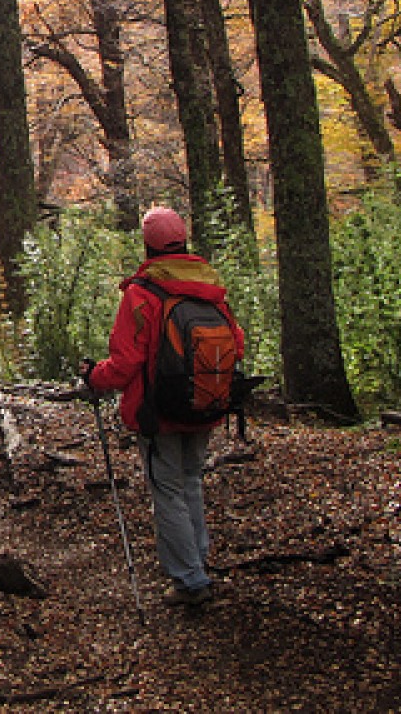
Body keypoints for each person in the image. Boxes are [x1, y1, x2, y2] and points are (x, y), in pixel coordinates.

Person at [80, 206, 244, 607]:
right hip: (205, 403)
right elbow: (235, 345)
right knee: (190, 483)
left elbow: (124, 364)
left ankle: (190, 580)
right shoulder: (211, 289)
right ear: (184, 240)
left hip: (158, 411)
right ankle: (196, 564)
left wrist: (92, 378)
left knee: (168, 491)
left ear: (148, 245)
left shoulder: (142, 294)